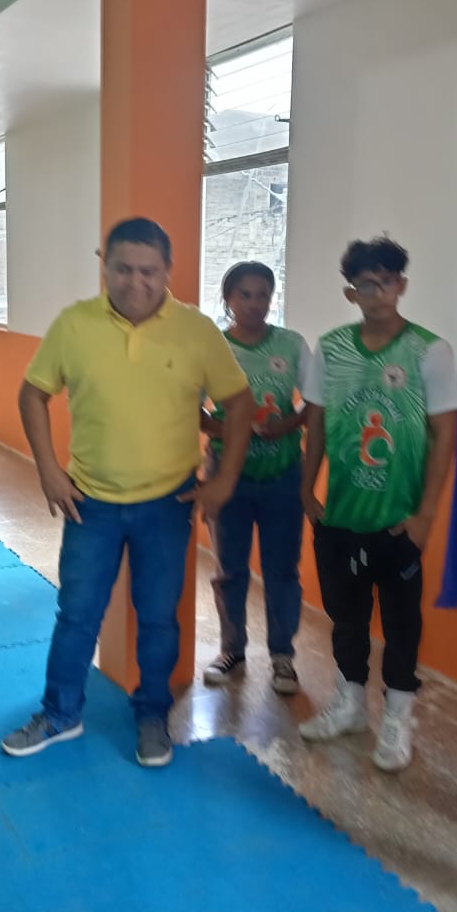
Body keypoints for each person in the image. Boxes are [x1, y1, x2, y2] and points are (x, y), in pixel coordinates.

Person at [1, 218, 253, 768]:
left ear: (168, 270)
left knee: (158, 617)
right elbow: (32, 394)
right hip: (89, 502)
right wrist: (48, 470)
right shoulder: (75, 324)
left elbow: (239, 402)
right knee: (76, 613)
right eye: (122, 269)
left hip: (168, 504)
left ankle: (152, 716)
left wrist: (225, 479)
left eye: (148, 271)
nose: (135, 282)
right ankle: (60, 713)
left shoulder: (196, 330)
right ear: (104, 265)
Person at [298, 237, 457, 771]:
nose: (378, 293)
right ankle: (349, 705)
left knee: (400, 623)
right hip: (341, 515)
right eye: (366, 284)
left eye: (387, 281)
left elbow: (444, 434)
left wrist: (425, 515)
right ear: (351, 293)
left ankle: (397, 717)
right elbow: (316, 421)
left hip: (398, 521)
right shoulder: (331, 348)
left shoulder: (429, 352)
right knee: (345, 617)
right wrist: (307, 489)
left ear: (402, 286)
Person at [201, 262, 310, 695]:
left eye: (263, 294)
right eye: (244, 295)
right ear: (228, 298)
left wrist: (287, 425)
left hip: (283, 474)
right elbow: (193, 409)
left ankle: (283, 656)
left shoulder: (291, 344)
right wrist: (232, 430)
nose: (254, 303)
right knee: (230, 568)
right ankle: (232, 650)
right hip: (229, 477)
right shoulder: (212, 347)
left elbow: (314, 402)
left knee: (282, 568)